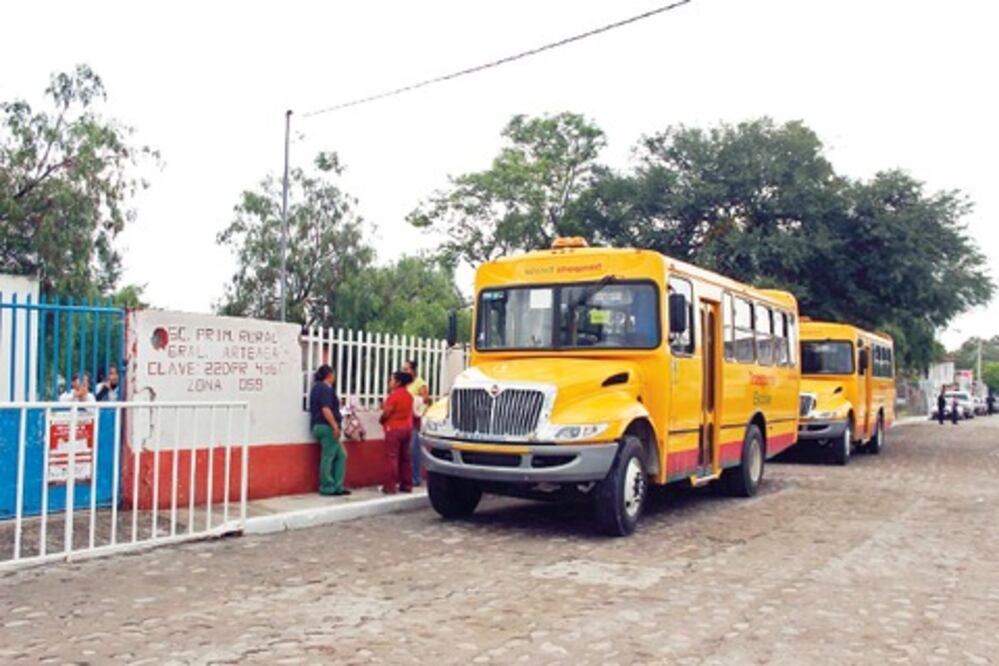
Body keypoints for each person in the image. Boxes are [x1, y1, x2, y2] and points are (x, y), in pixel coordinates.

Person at [309, 365, 350, 496]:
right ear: (330, 375)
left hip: (319, 425)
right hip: (326, 426)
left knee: (341, 455)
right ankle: (327, 486)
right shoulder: (325, 388)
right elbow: (326, 409)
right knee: (328, 456)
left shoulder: (317, 388)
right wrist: (335, 426)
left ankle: (337, 485)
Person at [380, 371, 414, 495]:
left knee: (391, 458)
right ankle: (406, 485)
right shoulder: (409, 396)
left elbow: (387, 412)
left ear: (398, 382)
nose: (390, 382)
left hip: (394, 429)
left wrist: (382, 419)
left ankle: (390, 486)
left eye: (392, 380)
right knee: (405, 458)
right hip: (407, 429)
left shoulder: (394, 396)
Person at [402, 359, 431, 487]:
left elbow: (426, 399)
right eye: (404, 369)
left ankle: (416, 477)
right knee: (407, 450)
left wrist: (414, 401)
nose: (405, 371)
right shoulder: (405, 384)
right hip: (405, 420)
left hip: (415, 421)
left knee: (414, 450)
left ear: (413, 370)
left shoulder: (420, 383)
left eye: (407, 369)